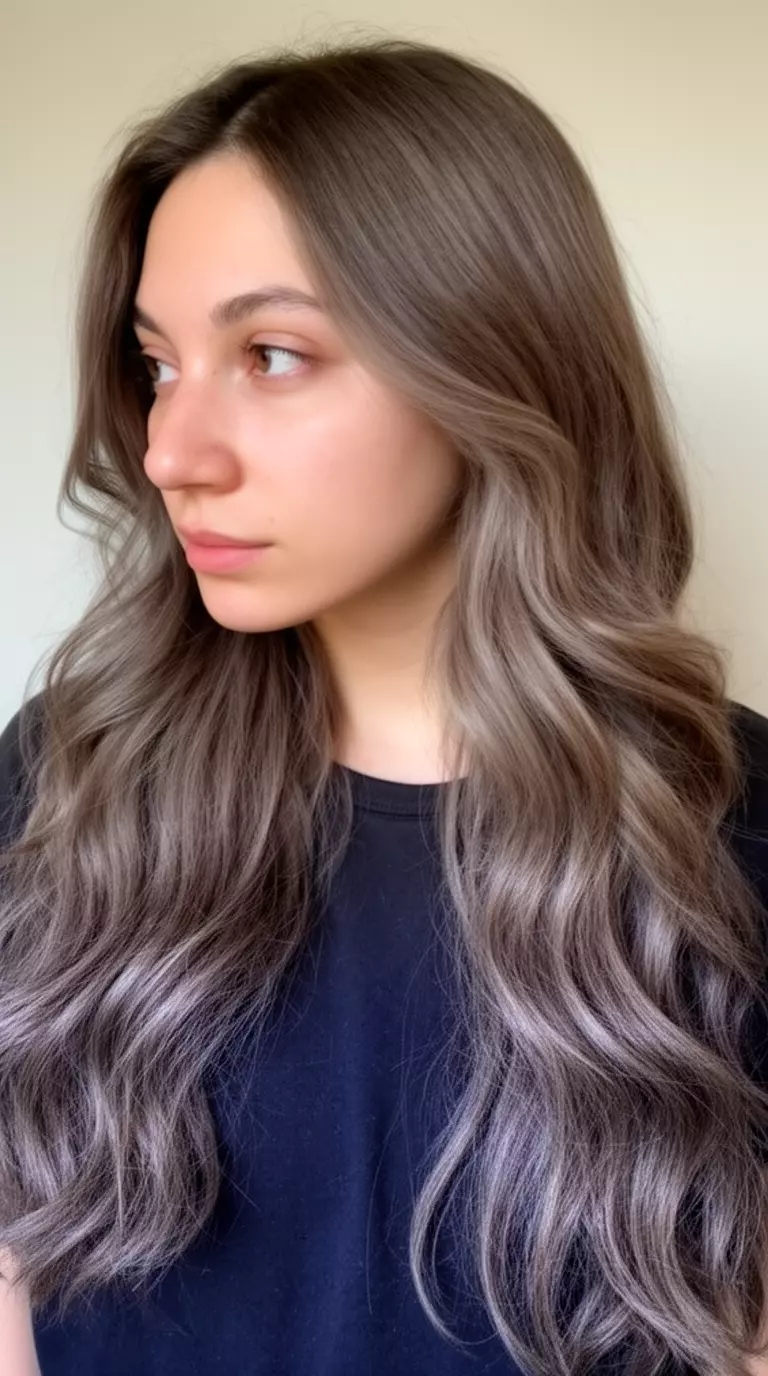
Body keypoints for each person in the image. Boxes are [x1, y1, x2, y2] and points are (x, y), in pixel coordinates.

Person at [0, 35, 767, 1376]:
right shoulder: (70, 782)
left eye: (275, 355)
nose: (173, 451)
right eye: (160, 364)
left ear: (494, 364)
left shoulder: (730, 831)